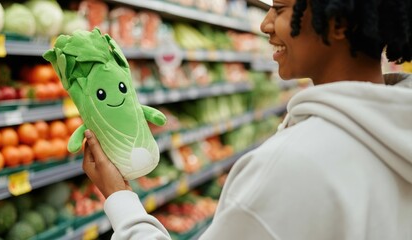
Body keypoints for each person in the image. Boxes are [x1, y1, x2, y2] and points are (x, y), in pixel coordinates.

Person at [82, 0, 412, 239]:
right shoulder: (397, 131)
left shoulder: (291, 165)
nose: (265, 24)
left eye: (280, 9)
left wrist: (119, 197)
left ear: (338, 23)